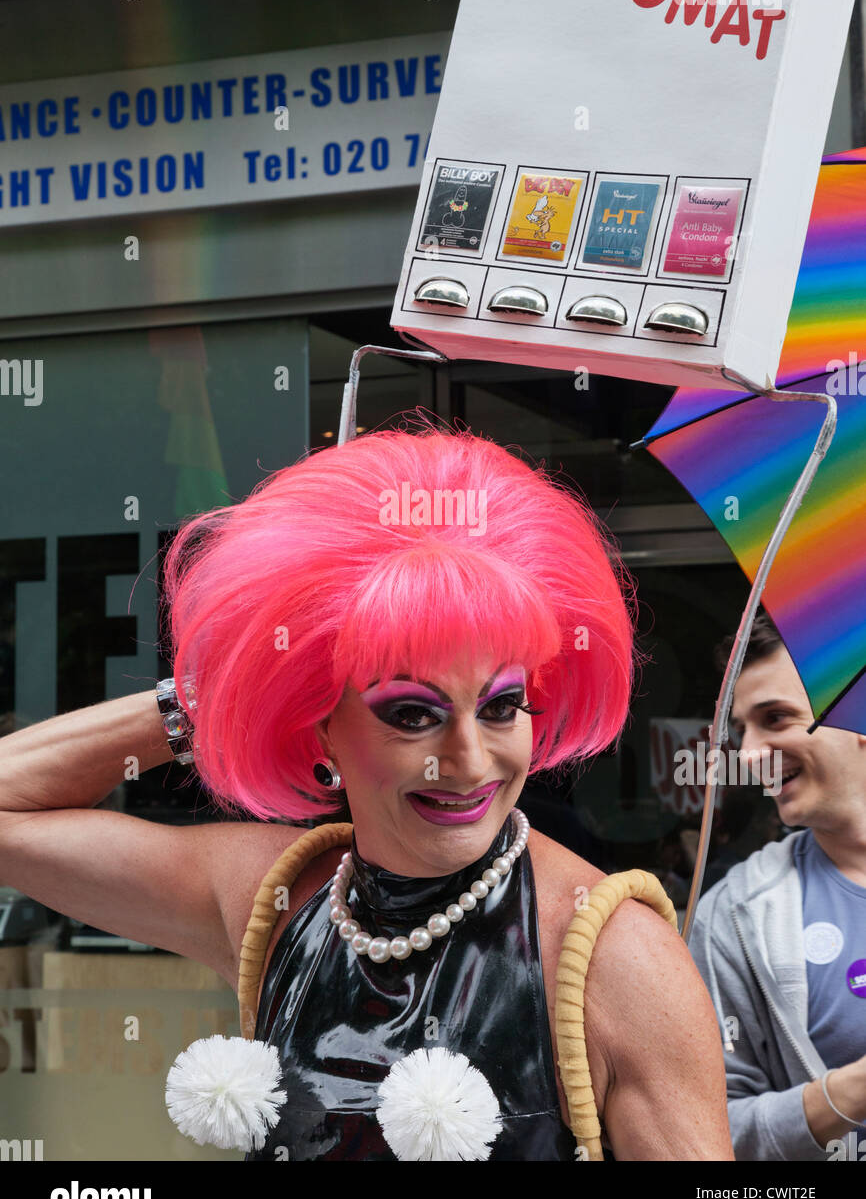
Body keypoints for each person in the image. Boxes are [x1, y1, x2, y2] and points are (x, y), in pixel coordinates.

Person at [0, 419, 733, 1161]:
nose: (470, 759)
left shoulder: (613, 953)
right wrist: (217, 691)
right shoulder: (273, 895)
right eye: (413, 714)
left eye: (502, 705)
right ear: (319, 728)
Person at [689, 612, 866, 1160]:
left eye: (776, 718)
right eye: (743, 729)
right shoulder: (734, 916)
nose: (747, 755)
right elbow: (711, 1131)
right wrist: (850, 1092)